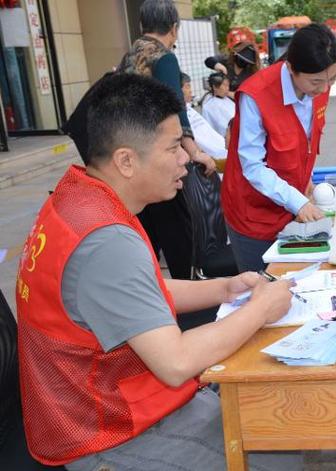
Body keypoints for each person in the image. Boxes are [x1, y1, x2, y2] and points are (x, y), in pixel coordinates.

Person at [16, 73, 293, 471]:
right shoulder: (106, 240)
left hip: (92, 405)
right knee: (277, 451)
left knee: (272, 428)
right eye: (172, 147)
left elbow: (136, 293)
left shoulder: (76, 199)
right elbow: (176, 361)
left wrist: (225, 289)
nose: (185, 157)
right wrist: (260, 310)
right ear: (126, 160)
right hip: (105, 434)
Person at [221, 24, 336, 273]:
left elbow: (305, 142)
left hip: (292, 205)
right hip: (253, 213)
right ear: (290, 68)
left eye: (333, 79)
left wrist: (305, 185)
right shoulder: (257, 96)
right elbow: (252, 166)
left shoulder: (319, 86)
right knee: (262, 287)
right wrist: (298, 202)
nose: (324, 89)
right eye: (317, 81)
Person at [116, 0, 216, 279]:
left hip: (133, 160)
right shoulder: (164, 57)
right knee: (178, 236)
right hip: (159, 158)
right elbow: (176, 109)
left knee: (147, 235)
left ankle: (151, 292)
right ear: (174, 28)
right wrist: (194, 151)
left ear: (141, 25)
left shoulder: (129, 56)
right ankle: (189, 297)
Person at [181, 72, 228, 168]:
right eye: (187, 86)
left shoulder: (190, 110)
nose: (191, 91)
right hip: (212, 156)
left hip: (221, 147)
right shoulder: (208, 106)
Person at [200, 72, 235, 137]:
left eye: (228, 85)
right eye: (224, 85)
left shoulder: (228, 99)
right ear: (215, 87)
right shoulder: (208, 107)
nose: (227, 88)